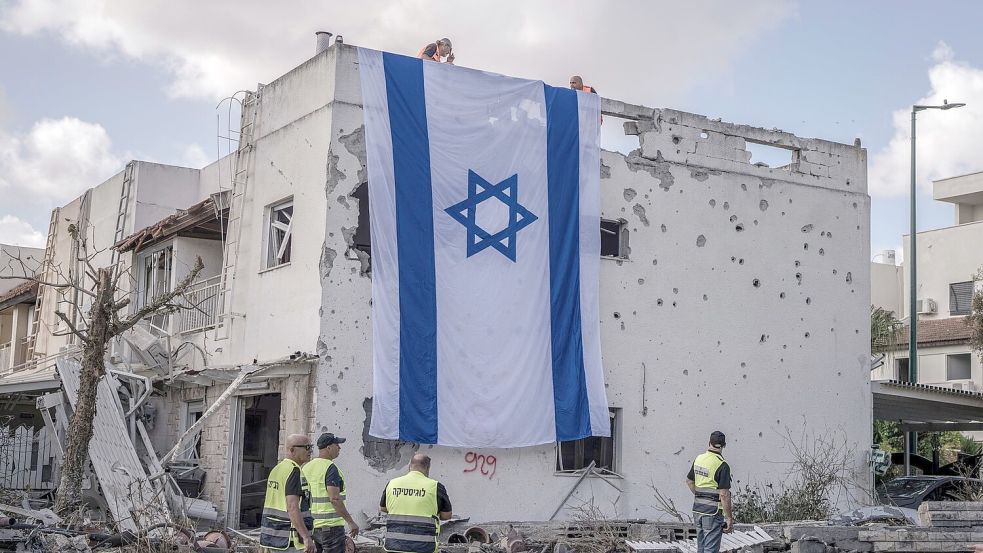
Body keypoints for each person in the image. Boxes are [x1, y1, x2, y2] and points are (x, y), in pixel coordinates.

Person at [379, 454, 453, 553]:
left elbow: (383, 508)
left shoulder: (392, 483)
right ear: (428, 468)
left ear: (409, 466)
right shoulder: (435, 486)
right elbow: (447, 515)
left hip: (394, 545)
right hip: (424, 547)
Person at [302, 432, 360, 553]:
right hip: (331, 528)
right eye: (337, 445)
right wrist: (351, 522)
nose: (339, 447)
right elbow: (334, 498)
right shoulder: (330, 468)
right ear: (328, 448)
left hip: (313, 526)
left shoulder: (306, 467)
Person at [261, 434, 316, 552]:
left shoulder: (277, 469)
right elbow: (292, 507)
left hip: (272, 537)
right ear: (292, 450)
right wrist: (306, 537)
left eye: (311, 447)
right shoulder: (294, 471)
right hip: (289, 540)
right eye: (307, 447)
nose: (310, 451)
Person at [686, 431, 734, 553]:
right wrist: (729, 518)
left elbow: (689, 481)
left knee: (701, 548)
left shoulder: (699, 459)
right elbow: (724, 494)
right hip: (712, 513)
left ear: (709, 443)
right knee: (710, 550)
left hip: (697, 510)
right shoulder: (722, 465)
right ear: (724, 446)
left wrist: (700, 496)